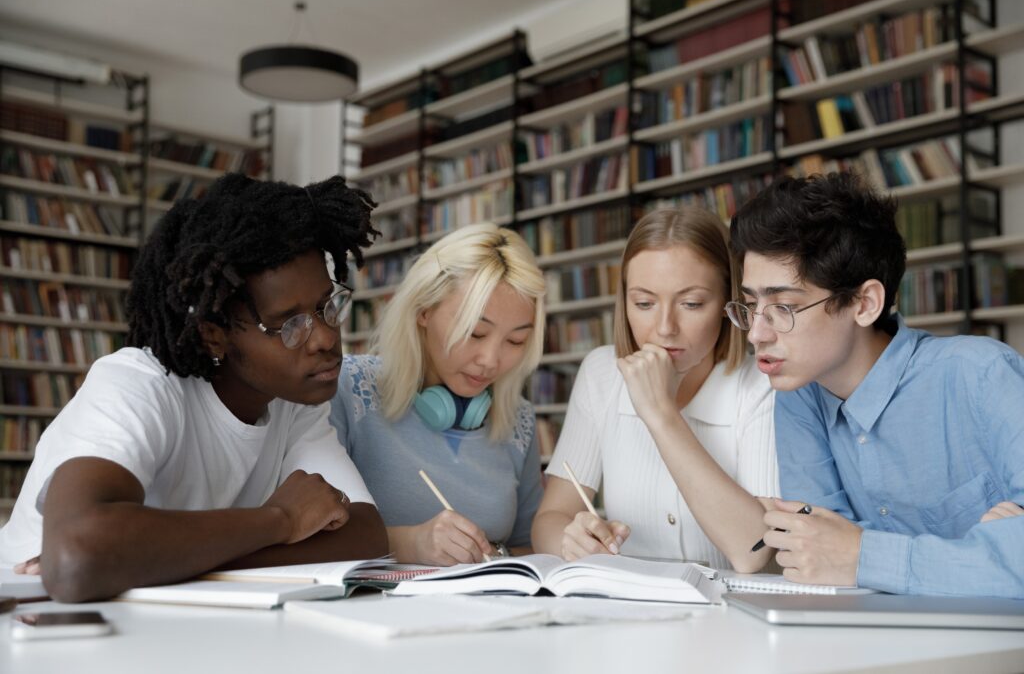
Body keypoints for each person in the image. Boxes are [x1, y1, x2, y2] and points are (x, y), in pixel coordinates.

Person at [0, 174, 389, 602]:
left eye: (325, 307)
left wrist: (155, 562)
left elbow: (365, 536)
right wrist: (279, 519)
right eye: (290, 325)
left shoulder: (295, 400)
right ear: (213, 335)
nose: (325, 338)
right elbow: (77, 557)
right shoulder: (138, 384)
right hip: (31, 621)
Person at [729, 171, 1024, 597]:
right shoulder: (798, 396)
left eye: (784, 307)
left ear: (864, 303)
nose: (756, 334)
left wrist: (864, 555)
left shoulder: (980, 375)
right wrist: (981, 554)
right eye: (751, 304)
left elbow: (843, 555)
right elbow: (817, 554)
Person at [531, 207, 779, 572]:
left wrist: (661, 414)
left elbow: (755, 550)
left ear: (729, 302)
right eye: (644, 303)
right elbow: (550, 518)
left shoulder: (762, 384)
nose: (664, 328)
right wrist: (573, 541)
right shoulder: (601, 373)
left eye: (692, 303)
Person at [329, 223, 546, 566]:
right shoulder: (349, 388)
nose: (490, 361)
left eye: (516, 341)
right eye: (475, 333)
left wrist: (492, 552)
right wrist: (408, 543)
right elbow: (307, 536)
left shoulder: (518, 420)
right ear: (423, 310)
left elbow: (530, 547)